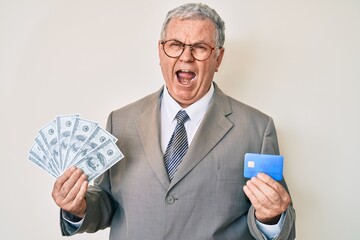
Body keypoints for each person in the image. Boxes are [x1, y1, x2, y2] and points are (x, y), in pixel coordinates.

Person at [52, 3, 296, 239]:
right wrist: (77, 208)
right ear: (160, 51)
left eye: (199, 47)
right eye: (175, 44)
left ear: (218, 58)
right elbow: (106, 202)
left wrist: (271, 217)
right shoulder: (121, 121)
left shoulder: (257, 129)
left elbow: (272, 219)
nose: (186, 57)